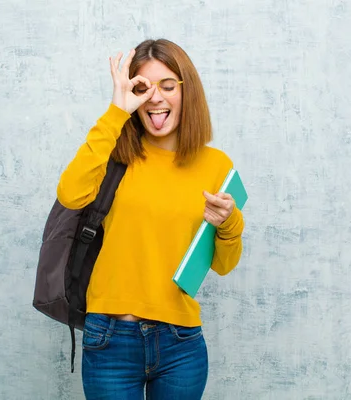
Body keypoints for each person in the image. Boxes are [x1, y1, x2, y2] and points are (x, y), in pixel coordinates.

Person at [56, 38, 245, 400]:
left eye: (168, 86)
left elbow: (222, 264)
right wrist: (116, 111)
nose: (155, 98)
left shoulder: (216, 165)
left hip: (181, 342)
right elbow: (70, 194)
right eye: (143, 87)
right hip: (109, 338)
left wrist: (229, 223)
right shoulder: (115, 152)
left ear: (187, 90)